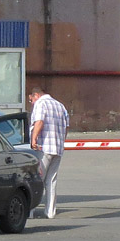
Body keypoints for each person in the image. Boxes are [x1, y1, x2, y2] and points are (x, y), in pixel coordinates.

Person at [29, 86, 69, 219]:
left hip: (44, 147)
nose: (32, 103)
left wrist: (33, 138)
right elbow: (66, 127)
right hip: (58, 147)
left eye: (31, 100)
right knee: (51, 180)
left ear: (35, 95)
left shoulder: (41, 103)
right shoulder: (60, 105)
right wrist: (61, 141)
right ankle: (50, 211)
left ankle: (30, 212)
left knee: (37, 179)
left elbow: (39, 121)